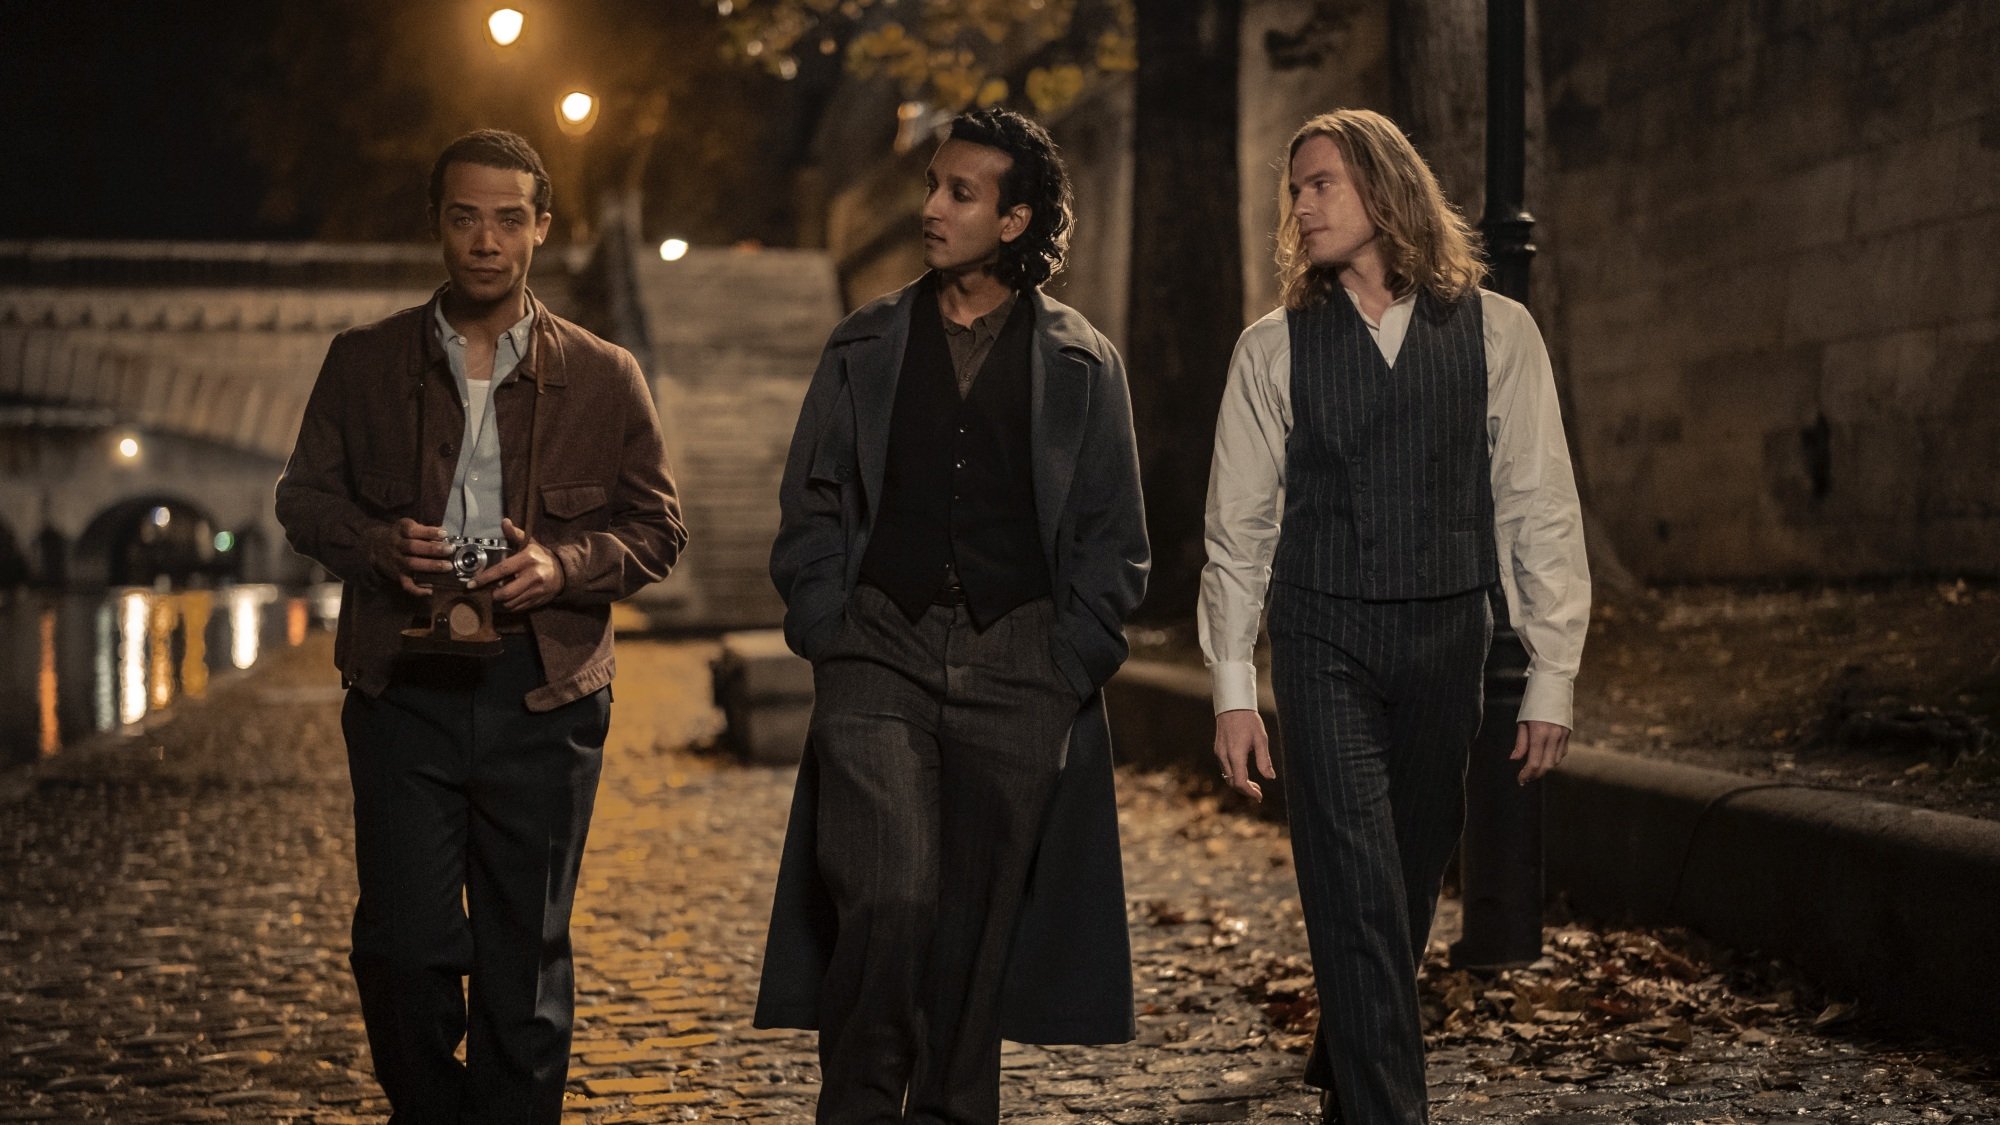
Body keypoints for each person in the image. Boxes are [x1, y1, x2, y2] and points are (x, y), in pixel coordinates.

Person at [274, 129, 685, 1124]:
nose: (487, 240)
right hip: (401, 688)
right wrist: (377, 544)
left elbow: (657, 526)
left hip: (543, 693)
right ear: (438, 226)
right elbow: (302, 500)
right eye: (466, 217)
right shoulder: (362, 363)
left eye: (509, 219)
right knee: (403, 949)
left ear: (541, 229)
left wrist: (562, 563)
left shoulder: (604, 375)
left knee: (525, 959)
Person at [754, 106, 1149, 1124]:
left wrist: (1070, 663)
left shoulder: (1081, 363)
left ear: (1013, 222)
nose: (929, 208)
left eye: (957, 194)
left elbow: (1115, 538)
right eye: (932, 185)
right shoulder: (865, 342)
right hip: (876, 652)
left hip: (1021, 667)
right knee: (886, 900)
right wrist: (827, 629)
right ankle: (856, 1107)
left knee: (975, 938)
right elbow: (812, 502)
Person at [1200, 108, 1590, 1123]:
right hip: (1320, 636)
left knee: (1406, 873)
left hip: (1446, 637)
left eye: (1320, 182)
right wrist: (1233, 688)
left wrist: (1550, 670)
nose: (1301, 205)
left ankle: (1348, 1039)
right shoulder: (1271, 349)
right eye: (1294, 189)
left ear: (1385, 189)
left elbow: (1537, 503)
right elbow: (1235, 530)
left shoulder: (1497, 332)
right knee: (1353, 872)